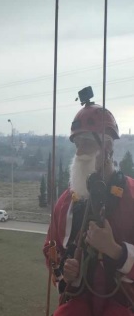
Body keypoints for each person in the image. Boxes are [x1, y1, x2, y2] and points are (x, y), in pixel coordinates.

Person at [43, 102, 134, 316]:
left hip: (124, 303)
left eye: (87, 143)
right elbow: (51, 247)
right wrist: (65, 271)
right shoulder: (66, 203)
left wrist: (115, 250)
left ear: (108, 147)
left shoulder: (131, 195)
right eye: (77, 143)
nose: (80, 151)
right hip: (78, 300)